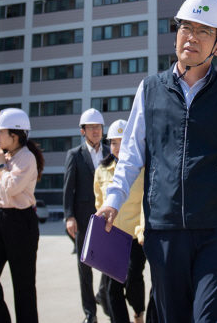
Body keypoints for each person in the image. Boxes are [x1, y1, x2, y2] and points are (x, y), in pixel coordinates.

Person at [96, 0, 217, 323]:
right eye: (186, 28)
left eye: (204, 31)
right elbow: (130, 156)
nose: (192, 38)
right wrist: (113, 200)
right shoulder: (150, 89)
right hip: (164, 230)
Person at [0, 108, 44, 323]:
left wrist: (0, 166)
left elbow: (11, 188)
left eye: (1, 132)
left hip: (21, 222)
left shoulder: (27, 159)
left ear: (14, 135)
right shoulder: (4, 157)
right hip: (0, 220)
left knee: (23, 285)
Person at [93, 120, 146, 323]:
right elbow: (99, 203)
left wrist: (142, 230)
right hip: (112, 236)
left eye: (122, 142)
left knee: (133, 280)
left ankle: (139, 312)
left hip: (135, 236)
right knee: (112, 288)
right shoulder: (102, 170)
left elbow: (145, 202)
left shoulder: (142, 169)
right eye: (113, 142)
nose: (117, 147)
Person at [63, 108, 111, 323]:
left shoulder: (111, 152)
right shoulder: (75, 155)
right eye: (91, 127)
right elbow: (68, 189)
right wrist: (69, 216)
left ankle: (102, 295)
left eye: (98, 127)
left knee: (109, 263)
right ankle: (90, 314)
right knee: (85, 268)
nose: (95, 131)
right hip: (83, 219)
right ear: (82, 131)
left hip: (107, 218)